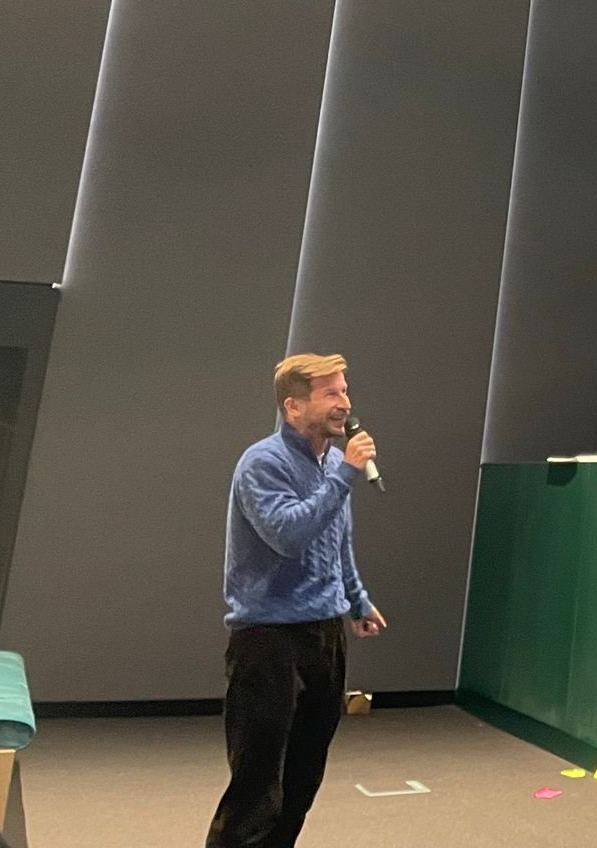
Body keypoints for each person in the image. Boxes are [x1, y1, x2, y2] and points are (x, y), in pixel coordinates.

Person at [208, 354, 388, 848]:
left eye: (345, 391)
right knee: (256, 784)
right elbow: (289, 534)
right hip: (268, 640)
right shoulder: (262, 463)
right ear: (293, 407)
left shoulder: (333, 463)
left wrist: (357, 599)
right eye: (331, 393)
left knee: (303, 778)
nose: (345, 403)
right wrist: (345, 477)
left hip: (324, 634)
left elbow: (337, 540)